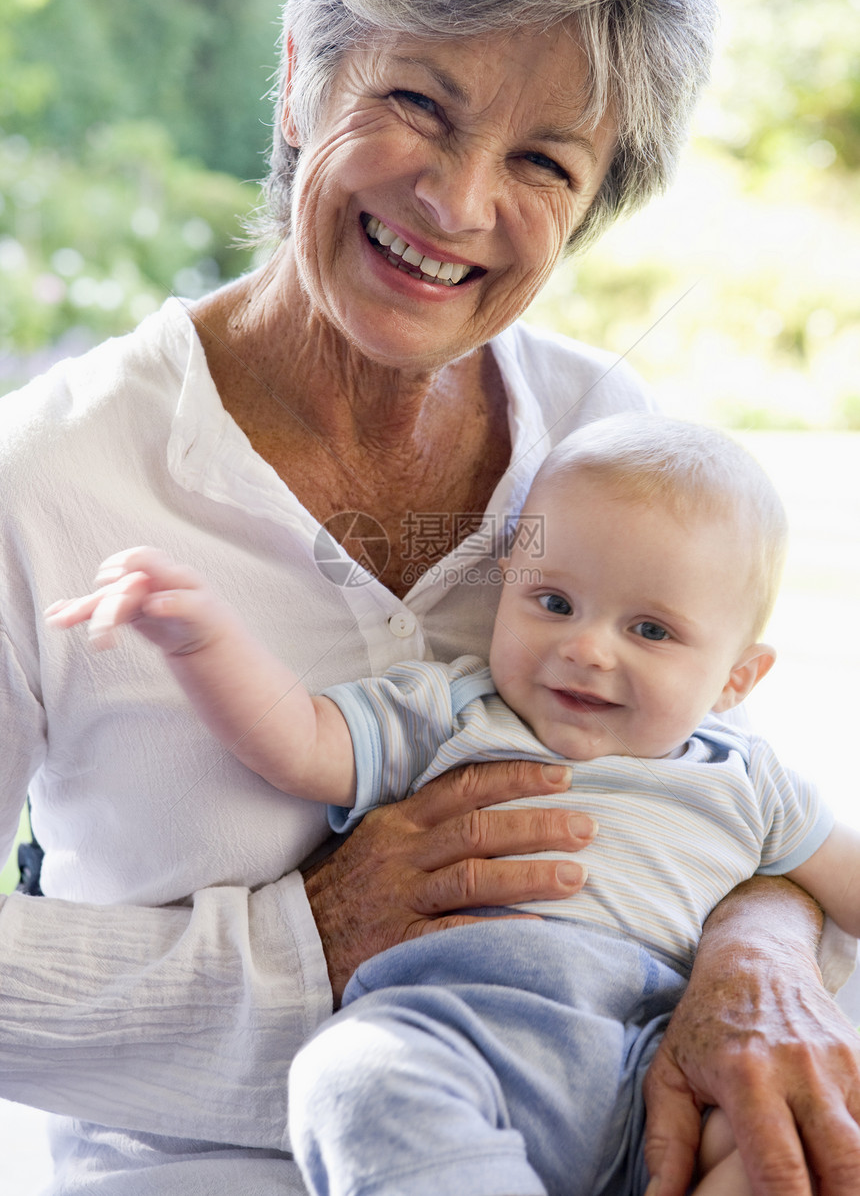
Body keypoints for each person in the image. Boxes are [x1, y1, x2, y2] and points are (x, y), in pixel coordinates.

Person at [0, 0, 858, 1194]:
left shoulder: (602, 434)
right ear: (299, 78)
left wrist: (755, 951)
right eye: (419, 102)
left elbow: (724, 797)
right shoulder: (44, 479)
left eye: (544, 163)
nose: (457, 204)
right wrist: (310, 943)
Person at [46, 414, 855, 1196]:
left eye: (649, 630)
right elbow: (301, 743)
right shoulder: (459, 709)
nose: (586, 647)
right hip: (453, 1032)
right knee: (352, 1076)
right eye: (554, 603)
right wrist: (202, 640)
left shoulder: (748, 779)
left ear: (737, 680)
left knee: (792, 1136)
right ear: (508, 588)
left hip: (660, 1062)